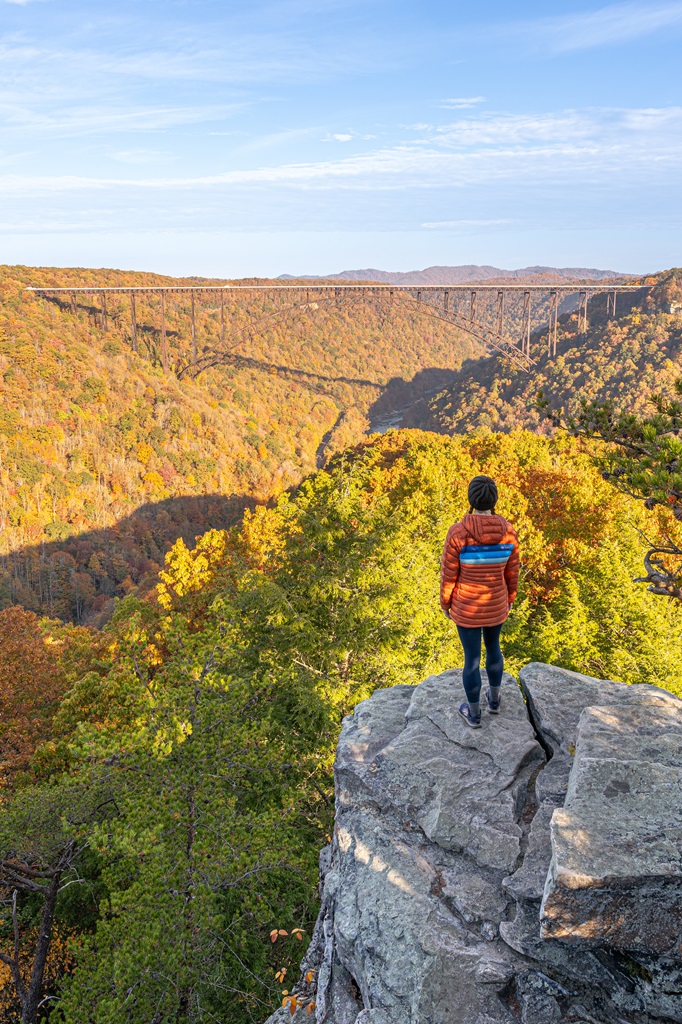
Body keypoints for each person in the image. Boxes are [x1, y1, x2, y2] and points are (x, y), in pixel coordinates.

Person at [440, 475, 520, 728]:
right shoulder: (509, 532)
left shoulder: (458, 532)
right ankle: (494, 701)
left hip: (467, 607)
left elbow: (449, 574)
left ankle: (474, 714)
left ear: (471, 499)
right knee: (494, 649)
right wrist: (509, 599)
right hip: (496, 603)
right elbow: (512, 572)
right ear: (494, 499)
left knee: (471, 659)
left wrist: (446, 604)